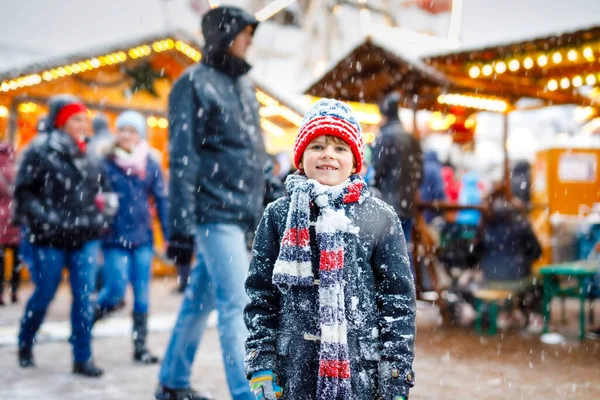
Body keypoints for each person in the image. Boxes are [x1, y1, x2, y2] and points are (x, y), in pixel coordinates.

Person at [245, 99, 416, 400]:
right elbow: (261, 297)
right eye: (317, 146)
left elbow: (397, 302)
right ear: (300, 157)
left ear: (354, 160)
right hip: (292, 373)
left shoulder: (379, 216)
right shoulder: (277, 215)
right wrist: (262, 364)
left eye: (340, 148)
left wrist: (395, 377)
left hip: (361, 373)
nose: (328, 154)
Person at [155, 6, 266, 400]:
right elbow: (182, 159)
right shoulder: (193, 83)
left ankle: (172, 380)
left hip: (239, 212)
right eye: (245, 32)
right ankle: (248, 392)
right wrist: (181, 227)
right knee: (237, 302)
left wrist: (269, 193)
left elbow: (253, 154)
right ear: (225, 34)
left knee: (200, 299)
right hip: (213, 210)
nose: (251, 39)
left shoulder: (243, 86)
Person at [15, 94, 112, 377]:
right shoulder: (39, 150)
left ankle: (82, 357)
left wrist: (101, 218)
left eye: (84, 118)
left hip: (85, 237)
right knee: (44, 294)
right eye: (76, 118)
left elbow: (106, 193)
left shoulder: (91, 153)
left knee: (84, 298)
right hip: (50, 239)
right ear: (61, 121)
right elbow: (24, 192)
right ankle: (25, 343)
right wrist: (50, 219)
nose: (83, 123)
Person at [93, 110, 167, 364]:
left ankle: (140, 347)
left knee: (142, 295)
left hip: (142, 239)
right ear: (117, 133)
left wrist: (168, 236)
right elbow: (94, 197)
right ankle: (88, 320)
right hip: (114, 238)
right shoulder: (105, 162)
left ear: (140, 135)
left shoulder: (150, 163)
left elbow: (162, 200)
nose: (127, 135)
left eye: (132, 131)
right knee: (114, 290)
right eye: (123, 129)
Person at [479, 189, 543, 329]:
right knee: (539, 282)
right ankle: (535, 318)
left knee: (515, 280)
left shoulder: (486, 224)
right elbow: (537, 252)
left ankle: (506, 313)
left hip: (490, 279)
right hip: (516, 279)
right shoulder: (521, 223)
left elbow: (477, 252)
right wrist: (523, 261)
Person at [372, 92, 423, 258]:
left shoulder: (385, 137)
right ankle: (407, 283)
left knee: (386, 255)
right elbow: (420, 174)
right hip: (407, 204)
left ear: (384, 116)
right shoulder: (411, 138)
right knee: (403, 251)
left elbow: (377, 170)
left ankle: (392, 284)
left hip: (386, 203)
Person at [0, 141, 21, 305]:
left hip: (0, 221)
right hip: (15, 219)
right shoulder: (17, 167)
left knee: (0, 260)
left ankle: (0, 293)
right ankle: (14, 290)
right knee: (16, 260)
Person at [420, 150, 446, 223]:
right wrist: (442, 199)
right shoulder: (436, 168)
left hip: (422, 202)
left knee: (422, 225)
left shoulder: (422, 166)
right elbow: (439, 188)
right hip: (432, 203)